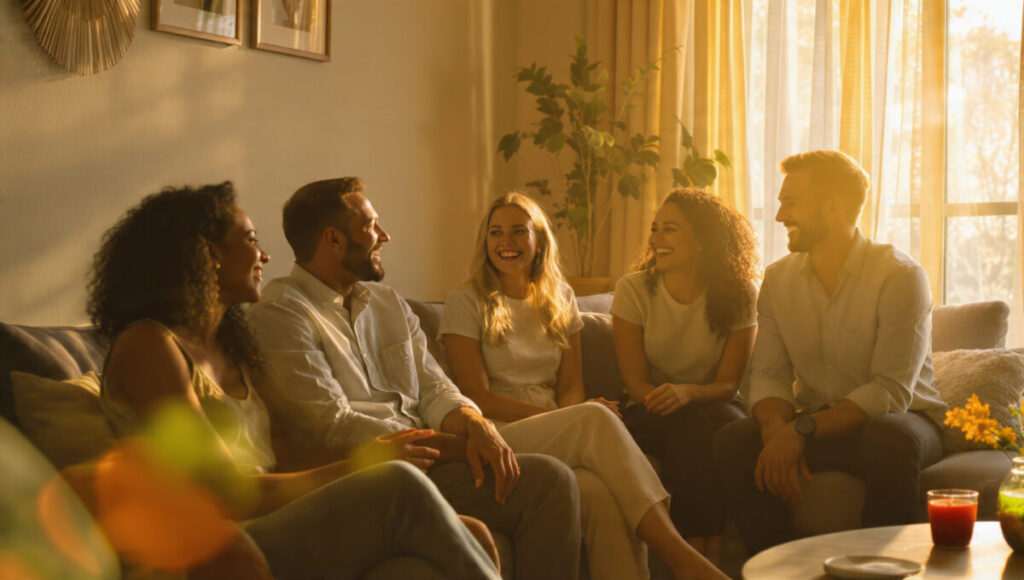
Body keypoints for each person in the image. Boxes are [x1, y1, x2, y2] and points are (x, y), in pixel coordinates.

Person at [88, 182, 501, 579]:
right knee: (398, 484)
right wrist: (357, 467)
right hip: (217, 542)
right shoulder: (150, 347)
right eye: (250, 240)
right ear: (209, 254)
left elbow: (278, 456)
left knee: (475, 533)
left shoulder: (232, 348)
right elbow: (218, 494)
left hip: (268, 519)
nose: (265, 255)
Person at [247, 177, 582, 580]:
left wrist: (473, 422)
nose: (384, 235)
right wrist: (446, 446)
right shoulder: (282, 313)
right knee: (547, 484)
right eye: (371, 226)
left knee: (553, 481)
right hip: (371, 475)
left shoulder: (389, 303)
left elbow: (434, 385)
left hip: (426, 459)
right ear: (333, 240)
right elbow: (328, 425)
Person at [440, 192, 729, 580]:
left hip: (556, 424)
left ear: (538, 241)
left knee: (599, 496)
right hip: (498, 434)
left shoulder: (560, 298)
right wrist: (565, 417)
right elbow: (476, 396)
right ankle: (681, 557)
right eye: (495, 233)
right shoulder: (466, 301)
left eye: (517, 232)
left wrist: (569, 414)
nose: (505, 243)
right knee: (592, 418)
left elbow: (571, 386)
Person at [712, 150, 948, 555]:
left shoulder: (901, 276)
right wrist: (776, 434)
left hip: (903, 420)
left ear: (834, 207)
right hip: (817, 422)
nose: (780, 216)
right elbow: (768, 374)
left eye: (791, 203)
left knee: (890, 438)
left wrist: (800, 432)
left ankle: (883, 569)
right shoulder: (778, 278)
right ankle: (777, 567)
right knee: (735, 439)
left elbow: (889, 391)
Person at [612, 188, 758, 564]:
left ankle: (697, 554)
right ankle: (701, 553)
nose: (656, 240)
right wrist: (664, 396)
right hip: (648, 408)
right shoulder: (634, 289)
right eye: (655, 229)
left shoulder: (739, 295)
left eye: (670, 230)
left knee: (723, 432)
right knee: (686, 426)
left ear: (703, 240)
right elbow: (635, 381)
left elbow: (729, 383)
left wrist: (690, 393)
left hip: (714, 405)